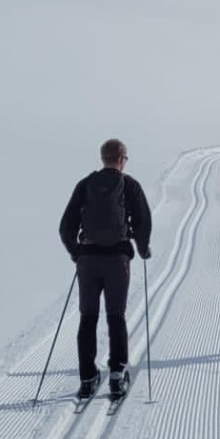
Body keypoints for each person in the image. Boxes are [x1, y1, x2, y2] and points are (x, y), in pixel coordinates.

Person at [57, 139, 153, 400]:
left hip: (88, 260)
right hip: (117, 260)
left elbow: (66, 226)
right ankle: (116, 376)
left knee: (88, 317)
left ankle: (87, 378)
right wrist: (143, 249)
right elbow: (143, 221)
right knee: (116, 316)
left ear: (103, 158)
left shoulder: (85, 185)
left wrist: (77, 252)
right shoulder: (130, 186)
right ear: (121, 158)